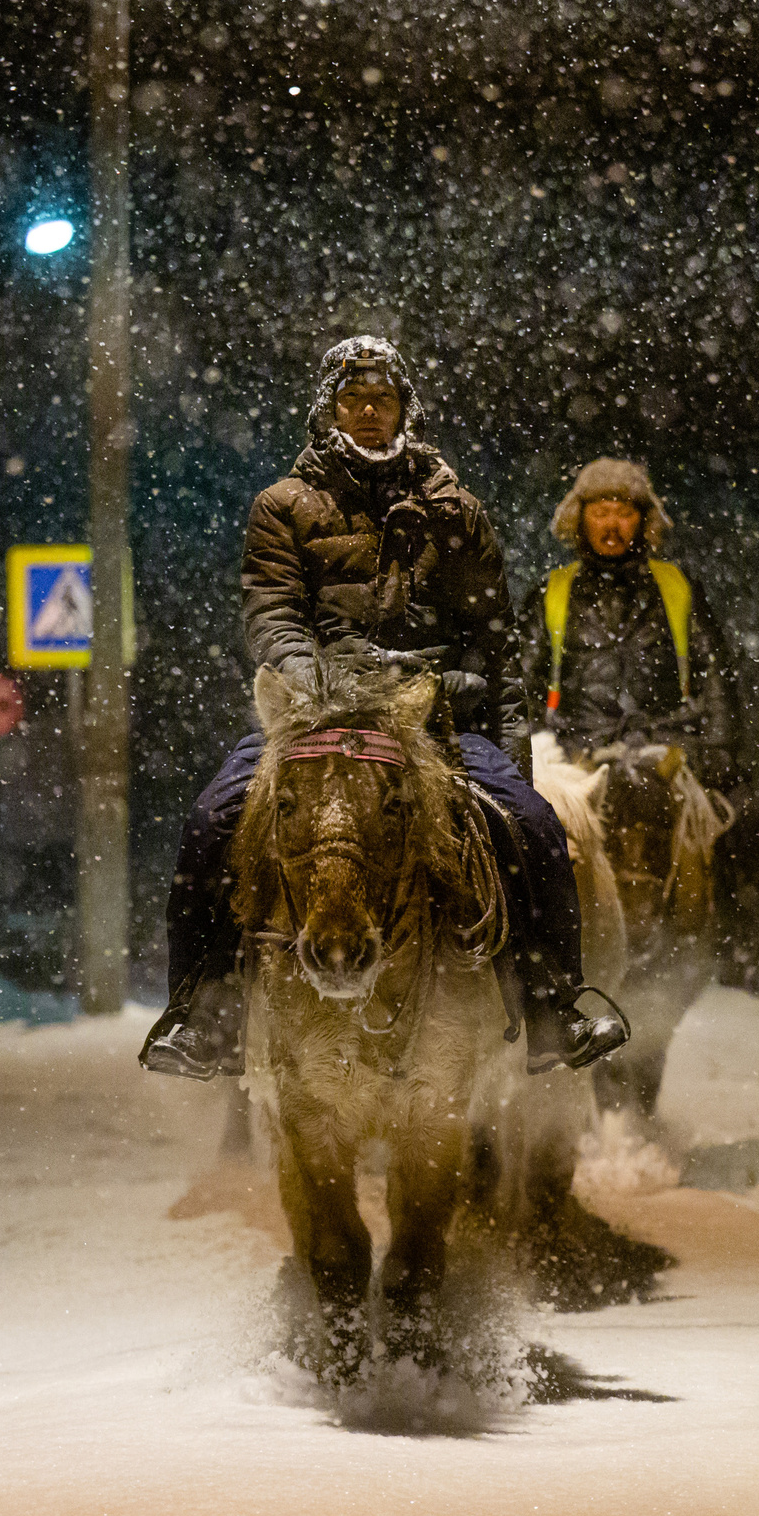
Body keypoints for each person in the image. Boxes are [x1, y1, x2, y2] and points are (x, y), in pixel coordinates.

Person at [141, 337, 628, 1079]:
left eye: (383, 399)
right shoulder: (282, 507)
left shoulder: (458, 513)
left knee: (532, 826)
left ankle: (552, 1008)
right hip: (314, 716)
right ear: (329, 410)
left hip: (435, 722)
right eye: (353, 399)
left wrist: (509, 759)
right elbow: (273, 618)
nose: (369, 412)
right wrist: (321, 687)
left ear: (406, 410)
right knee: (213, 821)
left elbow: (492, 642)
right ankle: (202, 1017)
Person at [519, 458, 759, 998]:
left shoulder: (677, 588)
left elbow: (716, 678)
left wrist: (717, 750)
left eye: (624, 510)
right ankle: (528, 957)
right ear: (579, 519)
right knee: (524, 832)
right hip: (577, 752)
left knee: (749, 817)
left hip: (673, 745)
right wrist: (540, 754)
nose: (612, 523)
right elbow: (522, 685)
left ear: (645, 521)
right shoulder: (550, 593)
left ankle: (743, 951)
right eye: (601, 510)